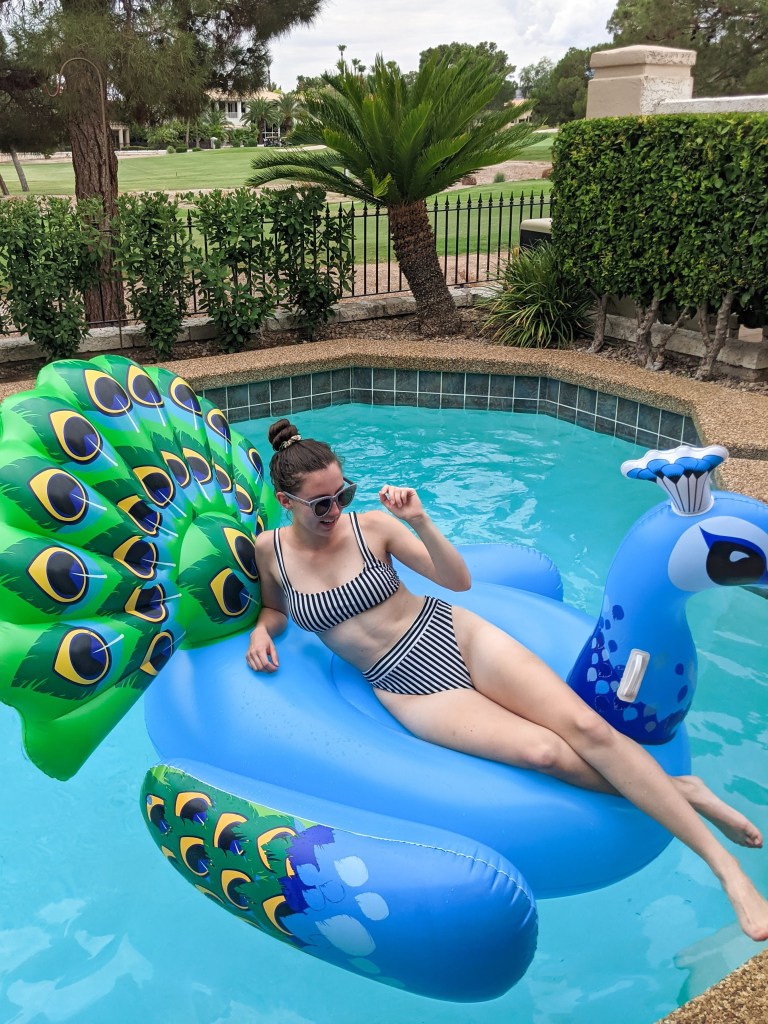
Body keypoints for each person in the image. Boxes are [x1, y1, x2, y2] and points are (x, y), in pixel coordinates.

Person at [247, 418, 768, 942]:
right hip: (404, 685)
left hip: (451, 632)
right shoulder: (271, 551)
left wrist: (420, 520)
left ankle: (725, 868)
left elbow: (458, 580)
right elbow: (274, 608)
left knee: (588, 729)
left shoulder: (371, 529)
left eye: (343, 493)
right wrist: (262, 633)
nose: (335, 511)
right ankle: (682, 789)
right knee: (544, 754)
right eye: (321, 504)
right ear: (285, 499)